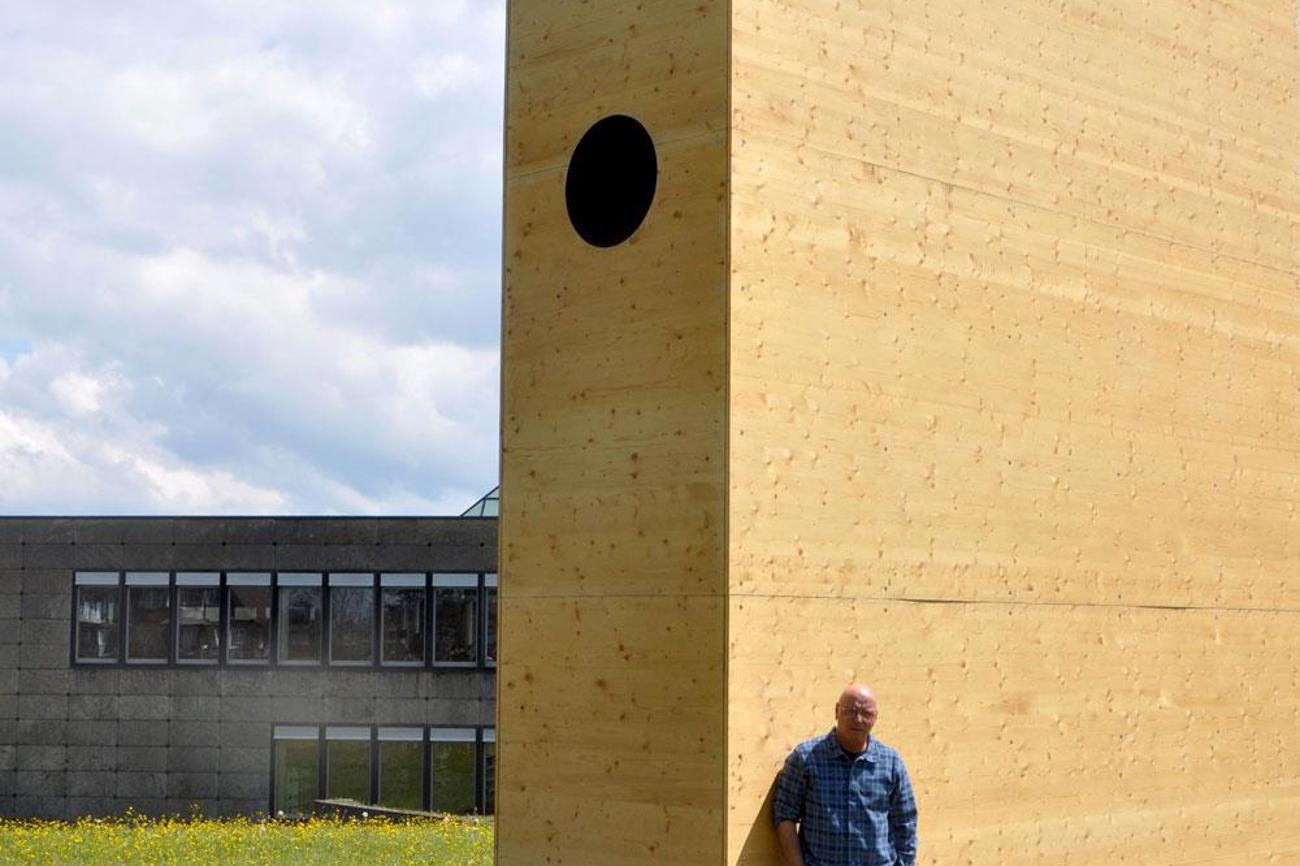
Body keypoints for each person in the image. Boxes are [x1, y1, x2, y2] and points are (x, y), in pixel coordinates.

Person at [772, 684, 918, 866]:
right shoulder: (806, 758)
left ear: (875, 717)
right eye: (851, 711)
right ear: (836, 711)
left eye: (866, 713)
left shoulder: (891, 763)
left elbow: (906, 822)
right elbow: (784, 815)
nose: (858, 719)